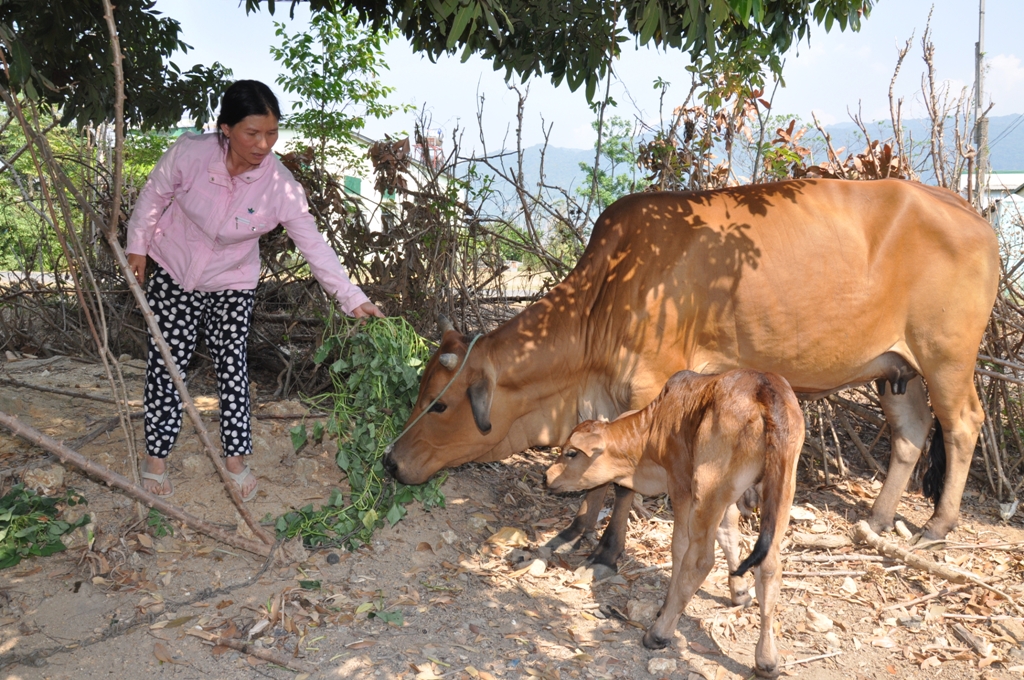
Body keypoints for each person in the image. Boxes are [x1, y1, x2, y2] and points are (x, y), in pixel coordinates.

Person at [126, 79, 383, 501]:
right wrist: (138, 246)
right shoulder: (190, 153)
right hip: (173, 269)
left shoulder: (280, 187)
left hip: (232, 281)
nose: (264, 144)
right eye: (252, 133)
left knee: (232, 368)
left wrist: (352, 298)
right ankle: (155, 459)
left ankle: (236, 459)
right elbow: (155, 194)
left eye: (272, 133)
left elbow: (314, 245)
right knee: (167, 365)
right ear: (225, 128)